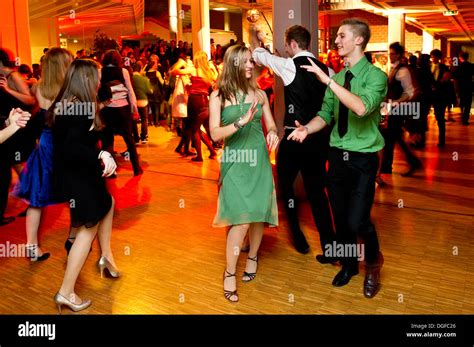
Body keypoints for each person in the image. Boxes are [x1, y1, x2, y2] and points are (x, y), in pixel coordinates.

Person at [288, 18, 386, 298]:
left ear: (359, 40)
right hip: (337, 156)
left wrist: (328, 81)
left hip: (364, 158)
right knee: (341, 218)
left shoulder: (375, 76)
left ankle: (373, 262)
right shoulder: (339, 79)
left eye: (342, 36)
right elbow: (325, 115)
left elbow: (360, 108)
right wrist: (307, 128)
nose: (337, 41)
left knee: (358, 221)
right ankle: (349, 266)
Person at [251, 25, 337, 260]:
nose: (287, 48)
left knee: (286, 188)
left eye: (287, 44)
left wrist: (261, 44)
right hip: (318, 138)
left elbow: (259, 55)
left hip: (293, 137)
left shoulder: (289, 66)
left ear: (293, 44)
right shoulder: (327, 69)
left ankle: (298, 238)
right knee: (317, 193)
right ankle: (330, 248)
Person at [209, 45, 279, 303]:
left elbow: (270, 123)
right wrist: (239, 122)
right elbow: (215, 133)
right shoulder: (218, 96)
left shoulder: (259, 93)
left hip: (258, 159)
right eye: (244, 62)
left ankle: (252, 258)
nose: (250, 65)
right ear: (232, 64)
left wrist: (272, 133)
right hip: (235, 161)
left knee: (258, 214)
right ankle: (229, 273)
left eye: (251, 61)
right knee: (240, 221)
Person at [50, 59, 120, 313]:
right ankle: (66, 292)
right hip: (79, 177)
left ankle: (106, 256)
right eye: (97, 76)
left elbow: (72, 141)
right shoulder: (80, 108)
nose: (100, 80)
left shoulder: (70, 104)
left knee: (108, 204)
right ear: (87, 79)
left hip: (75, 175)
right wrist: (100, 156)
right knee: (87, 229)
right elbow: (71, 147)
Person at [13, 48, 74, 261]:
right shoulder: (70, 90)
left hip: (45, 147)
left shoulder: (39, 88)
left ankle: (31, 247)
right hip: (65, 147)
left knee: (37, 201)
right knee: (75, 196)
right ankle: (76, 240)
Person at [0, 47, 37, 227]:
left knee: (18, 164)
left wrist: (8, 91)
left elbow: (30, 100)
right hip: (8, 127)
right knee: (14, 165)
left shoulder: (12, 76)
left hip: (19, 127)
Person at [380, 42, 421, 177]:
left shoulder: (402, 71)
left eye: (392, 53)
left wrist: (396, 103)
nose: (390, 56)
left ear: (398, 54)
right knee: (393, 137)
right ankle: (406, 163)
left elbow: (410, 92)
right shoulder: (393, 69)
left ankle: (387, 167)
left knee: (391, 137)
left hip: (398, 110)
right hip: (393, 109)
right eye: (389, 53)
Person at [100, 50, 143, 176]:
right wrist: (134, 109)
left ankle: (111, 171)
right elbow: (130, 91)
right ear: (118, 60)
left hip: (106, 109)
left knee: (107, 141)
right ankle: (136, 168)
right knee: (129, 140)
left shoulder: (99, 72)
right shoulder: (123, 71)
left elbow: (97, 91)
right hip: (122, 109)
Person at [173, 51, 217, 161]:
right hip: (205, 101)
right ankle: (211, 151)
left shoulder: (194, 70)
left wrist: (181, 62)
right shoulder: (209, 72)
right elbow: (216, 79)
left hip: (195, 100)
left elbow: (174, 71)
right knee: (197, 128)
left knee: (195, 129)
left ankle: (200, 156)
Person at [430, 49, 450, 147]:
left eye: (435, 57)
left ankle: (442, 140)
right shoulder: (427, 67)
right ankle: (420, 140)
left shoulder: (444, 68)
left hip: (440, 96)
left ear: (439, 58)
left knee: (440, 118)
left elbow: (445, 81)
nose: (433, 58)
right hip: (429, 95)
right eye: (432, 56)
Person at [131, 63, 153, 143]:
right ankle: (144, 137)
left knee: (133, 120)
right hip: (143, 101)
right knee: (144, 119)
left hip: (133, 102)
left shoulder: (130, 78)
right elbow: (150, 91)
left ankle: (136, 138)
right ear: (140, 70)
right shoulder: (144, 79)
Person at [454, 52, 472, 125]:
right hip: (469, 86)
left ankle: (462, 116)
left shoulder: (458, 66)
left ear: (460, 57)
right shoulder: (471, 66)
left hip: (461, 87)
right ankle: (465, 119)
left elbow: (455, 76)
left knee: (462, 103)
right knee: (468, 104)